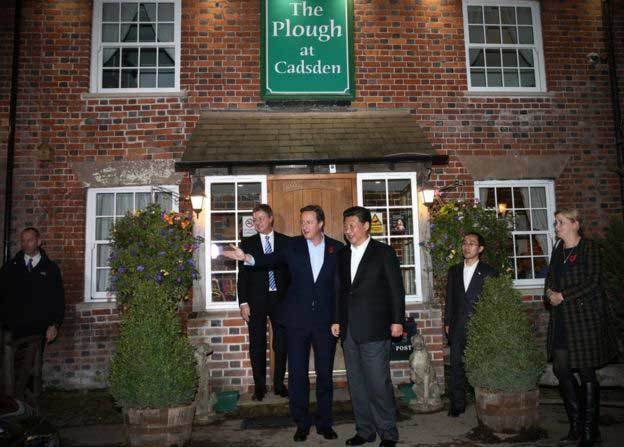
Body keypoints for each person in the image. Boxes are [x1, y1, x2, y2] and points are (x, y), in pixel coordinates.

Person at [224, 205, 343, 442]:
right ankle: (301, 423)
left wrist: (338, 319)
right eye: (302, 222)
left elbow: (340, 288)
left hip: (324, 324)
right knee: (298, 375)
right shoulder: (293, 246)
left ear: (321, 224)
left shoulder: (337, 249)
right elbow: (269, 259)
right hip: (296, 322)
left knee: (324, 375)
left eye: (309, 222)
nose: (304, 226)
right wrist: (246, 257)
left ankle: (324, 423)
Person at [332, 206, 405, 447]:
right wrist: (335, 319)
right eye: (345, 225)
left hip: (375, 327)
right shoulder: (342, 255)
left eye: (352, 225)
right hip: (349, 330)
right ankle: (364, 431)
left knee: (377, 382)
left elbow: (396, 289)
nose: (348, 230)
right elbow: (339, 291)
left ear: (366, 226)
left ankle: (388, 432)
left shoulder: (383, 252)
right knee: (357, 384)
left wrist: (398, 321)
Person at [545, 209, 614, 447]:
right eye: (556, 223)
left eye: (561, 223)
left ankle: (590, 431)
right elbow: (550, 279)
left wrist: (563, 295)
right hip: (562, 320)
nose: (557, 227)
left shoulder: (589, 249)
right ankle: (576, 425)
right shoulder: (557, 251)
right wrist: (550, 294)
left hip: (585, 322)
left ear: (575, 224)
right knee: (561, 369)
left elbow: (594, 282)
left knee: (586, 374)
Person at [0, 227, 65, 399]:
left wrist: (54, 324)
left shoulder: (50, 269)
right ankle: (13, 404)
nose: (25, 243)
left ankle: (30, 404)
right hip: (13, 328)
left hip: (38, 328)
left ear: (38, 241)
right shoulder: (10, 267)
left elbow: (58, 299)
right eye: (23, 240)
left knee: (33, 369)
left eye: (29, 240)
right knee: (10, 368)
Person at [237, 204, 290, 401]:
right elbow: (242, 276)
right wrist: (243, 302)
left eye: (260, 218)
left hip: (281, 300)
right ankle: (259, 387)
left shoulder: (286, 242)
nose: (257, 223)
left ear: (270, 219)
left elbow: (291, 274)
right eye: (254, 219)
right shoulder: (247, 244)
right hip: (256, 300)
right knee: (257, 343)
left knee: (282, 342)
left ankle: (278, 384)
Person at [444, 232, 496, 417]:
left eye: (472, 244)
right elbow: (449, 299)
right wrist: (447, 322)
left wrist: (488, 326)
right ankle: (457, 404)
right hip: (457, 325)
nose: (467, 246)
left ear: (480, 248)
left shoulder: (489, 272)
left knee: (480, 365)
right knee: (456, 366)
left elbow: (492, 301)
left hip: (479, 326)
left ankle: (484, 402)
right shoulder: (454, 271)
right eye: (465, 243)